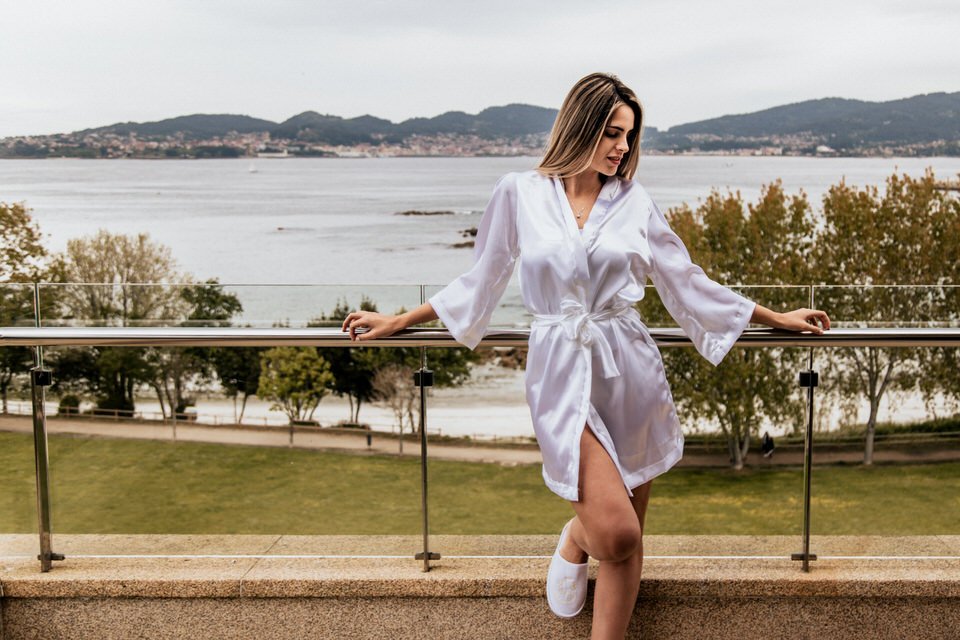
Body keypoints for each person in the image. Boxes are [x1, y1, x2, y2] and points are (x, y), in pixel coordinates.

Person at [341, 72, 831, 640]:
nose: (623, 148)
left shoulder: (633, 200)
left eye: (629, 136)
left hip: (630, 373)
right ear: (580, 126)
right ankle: (576, 536)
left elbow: (684, 280)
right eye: (612, 132)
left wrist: (773, 317)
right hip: (559, 372)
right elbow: (484, 277)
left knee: (629, 543)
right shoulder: (519, 192)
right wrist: (402, 320)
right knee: (615, 533)